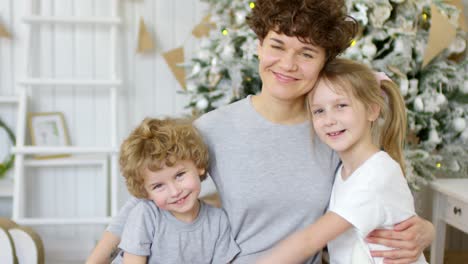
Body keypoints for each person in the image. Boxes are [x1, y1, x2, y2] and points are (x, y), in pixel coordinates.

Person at [87, 1, 434, 263]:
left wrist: (424, 229)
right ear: (259, 46)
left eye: (306, 53)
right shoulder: (214, 127)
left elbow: (375, 194)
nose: (287, 64)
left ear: (323, 62)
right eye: (277, 45)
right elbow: (142, 200)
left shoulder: (333, 131)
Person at [256, 59, 427, 264]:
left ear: (372, 110)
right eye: (319, 110)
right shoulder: (345, 170)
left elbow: (309, 241)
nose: (329, 119)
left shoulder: (376, 175)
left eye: (341, 105)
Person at [110, 117, 239, 264]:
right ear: (146, 192)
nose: (174, 192)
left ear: (199, 165)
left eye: (179, 175)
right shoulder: (145, 215)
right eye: (158, 186)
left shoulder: (218, 221)